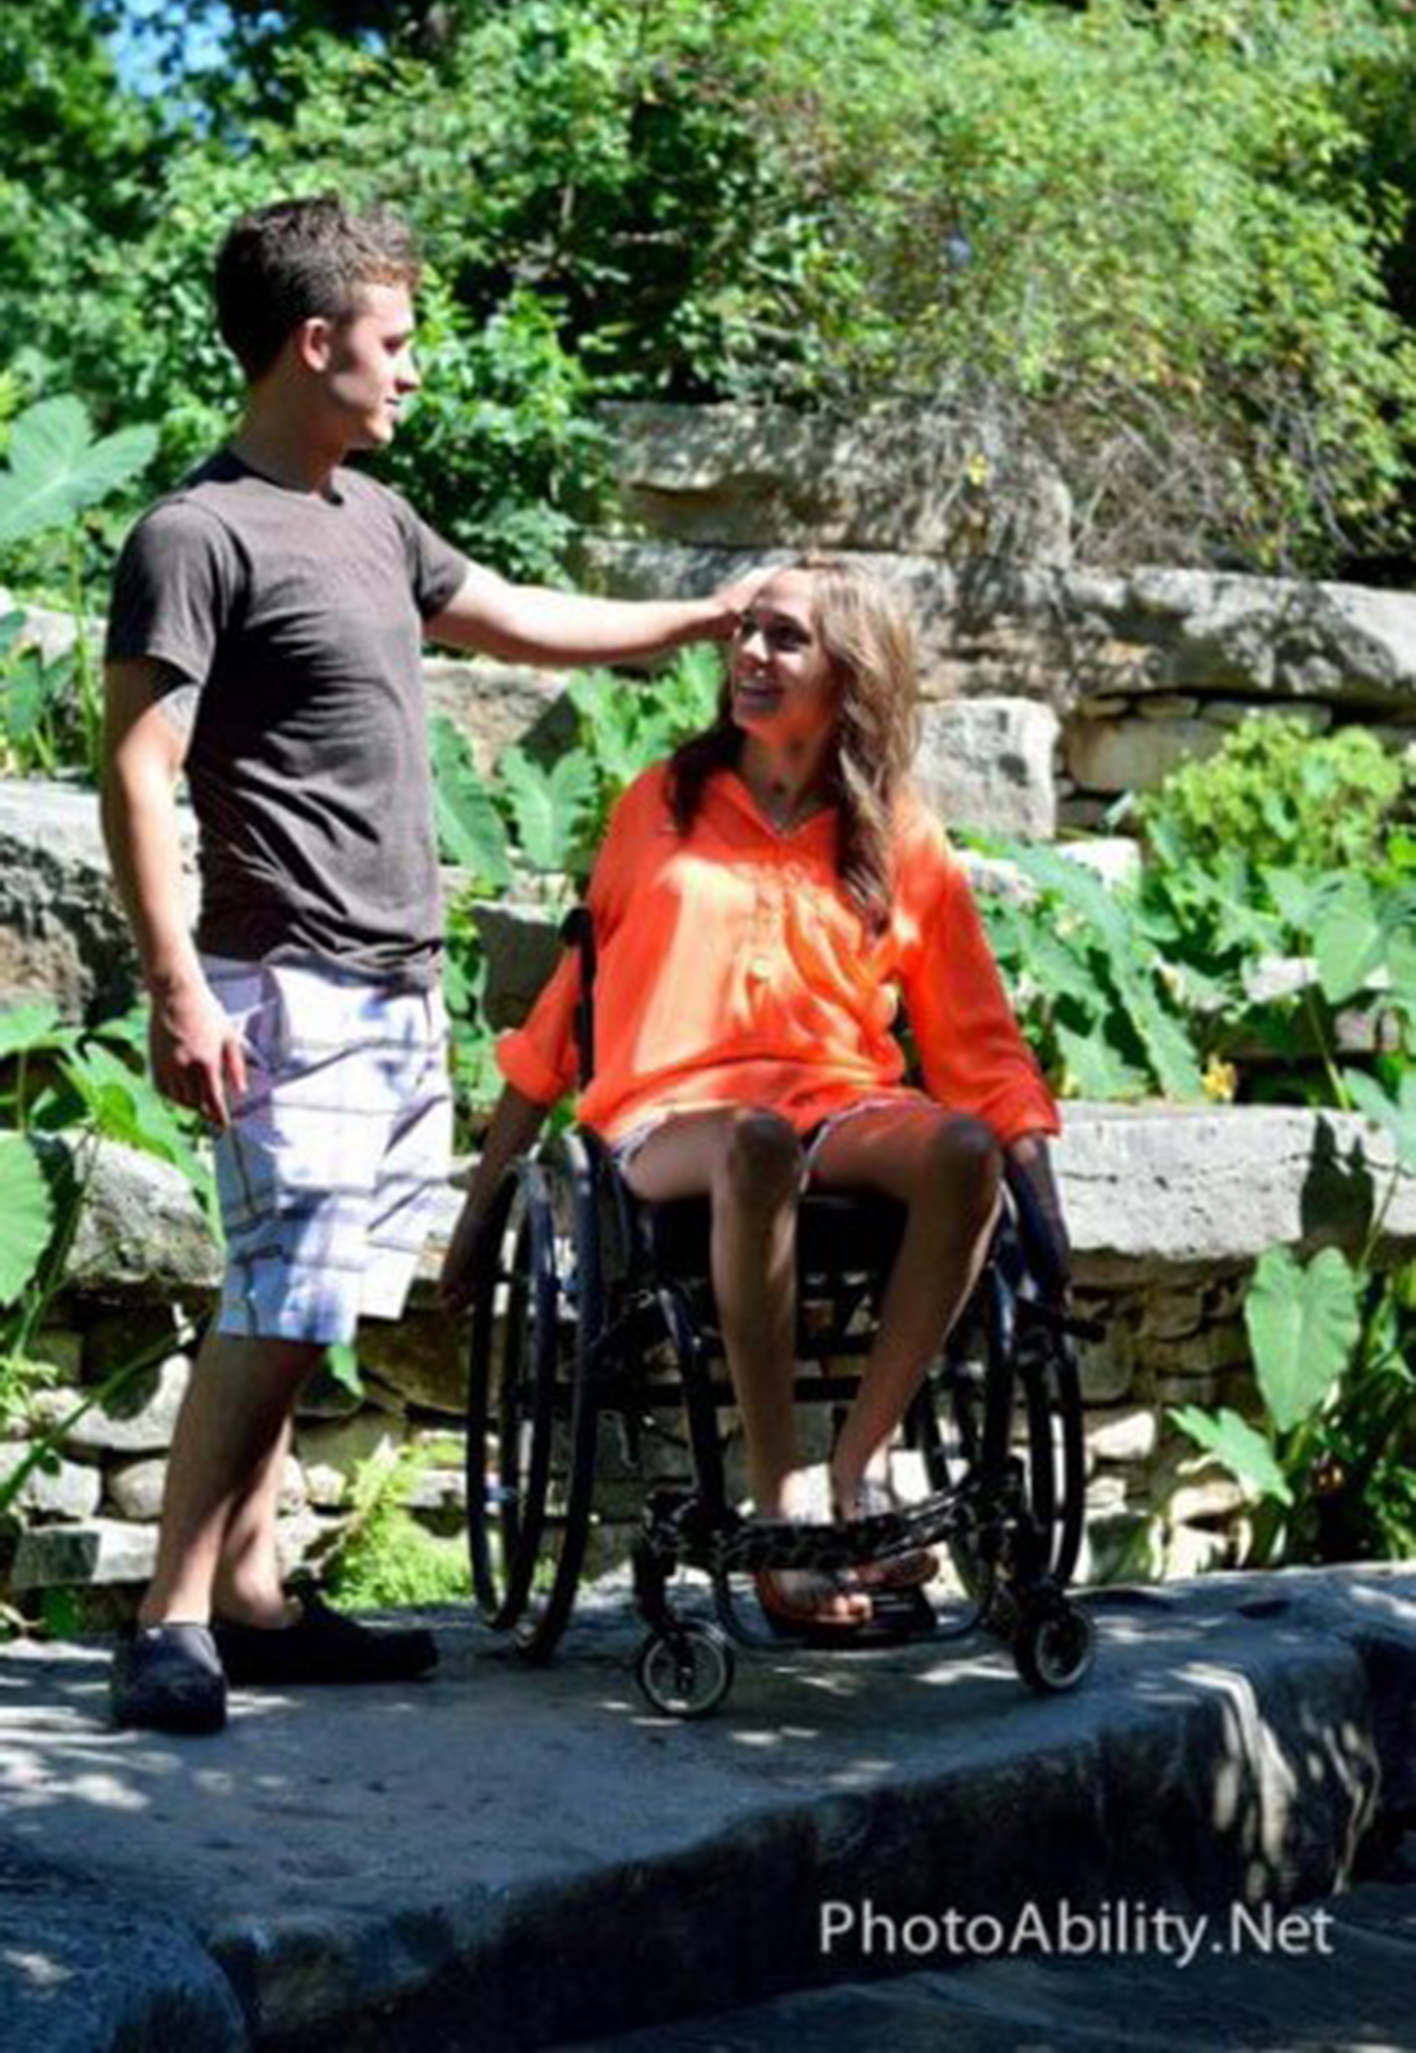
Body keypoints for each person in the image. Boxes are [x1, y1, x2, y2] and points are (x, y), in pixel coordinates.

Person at [102, 194, 757, 1732]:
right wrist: (178, 986)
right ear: (315, 341)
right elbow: (139, 768)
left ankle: (252, 1597)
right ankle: (170, 1617)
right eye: (394, 344)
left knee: (317, 1296)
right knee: (276, 1295)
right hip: (282, 981)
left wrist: (706, 615)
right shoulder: (196, 534)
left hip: (392, 977)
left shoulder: (374, 520)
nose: (413, 372)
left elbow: (517, 617)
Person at [440, 556, 1069, 1640]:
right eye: (746, 634)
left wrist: (1046, 1214)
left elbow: (977, 1043)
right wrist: (479, 1210)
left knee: (963, 1153)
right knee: (756, 1145)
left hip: (840, 1105)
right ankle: (780, 1495)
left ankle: (852, 1470)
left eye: (785, 640)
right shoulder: (660, 806)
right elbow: (562, 1016)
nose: (751, 656)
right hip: (667, 1121)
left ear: (851, 675)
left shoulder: (898, 834)